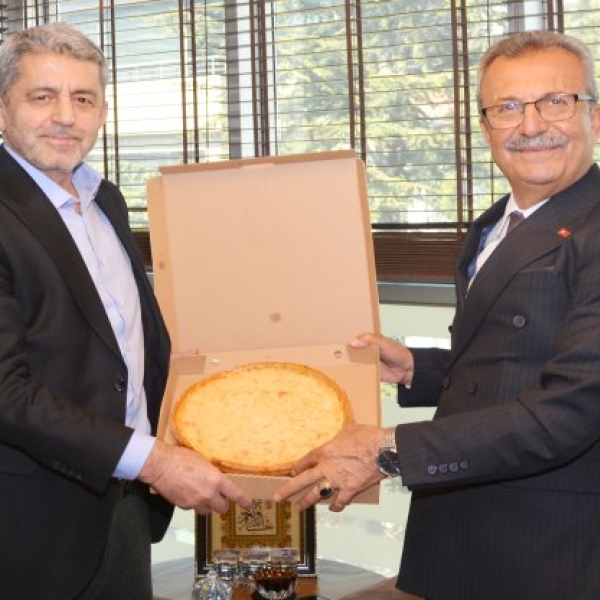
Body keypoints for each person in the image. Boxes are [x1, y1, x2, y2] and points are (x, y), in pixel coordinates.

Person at [275, 30, 600, 600]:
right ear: (486, 128)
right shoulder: (496, 224)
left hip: (547, 548)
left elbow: (570, 410)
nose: (530, 126)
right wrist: (416, 369)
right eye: (507, 107)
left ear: (594, 116)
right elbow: (518, 357)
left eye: (555, 101)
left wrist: (387, 450)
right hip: (464, 529)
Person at [0, 22, 251, 600]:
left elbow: (120, 339)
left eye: (83, 99)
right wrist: (154, 461)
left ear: (103, 112)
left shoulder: (104, 199)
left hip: (126, 504)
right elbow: (7, 392)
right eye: (42, 96)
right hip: (30, 524)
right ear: (4, 108)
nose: (65, 116)